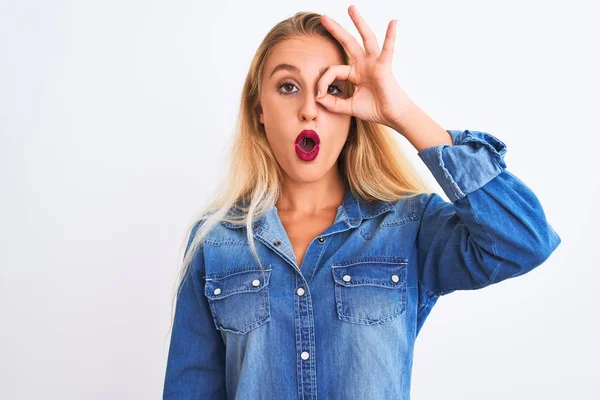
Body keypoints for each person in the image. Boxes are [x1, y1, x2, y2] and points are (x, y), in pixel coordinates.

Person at [162, 6, 561, 399]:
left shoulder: (410, 226)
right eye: (288, 87)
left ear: (352, 109)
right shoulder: (215, 241)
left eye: (332, 89)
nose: (308, 109)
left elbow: (524, 241)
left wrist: (401, 112)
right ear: (259, 110)